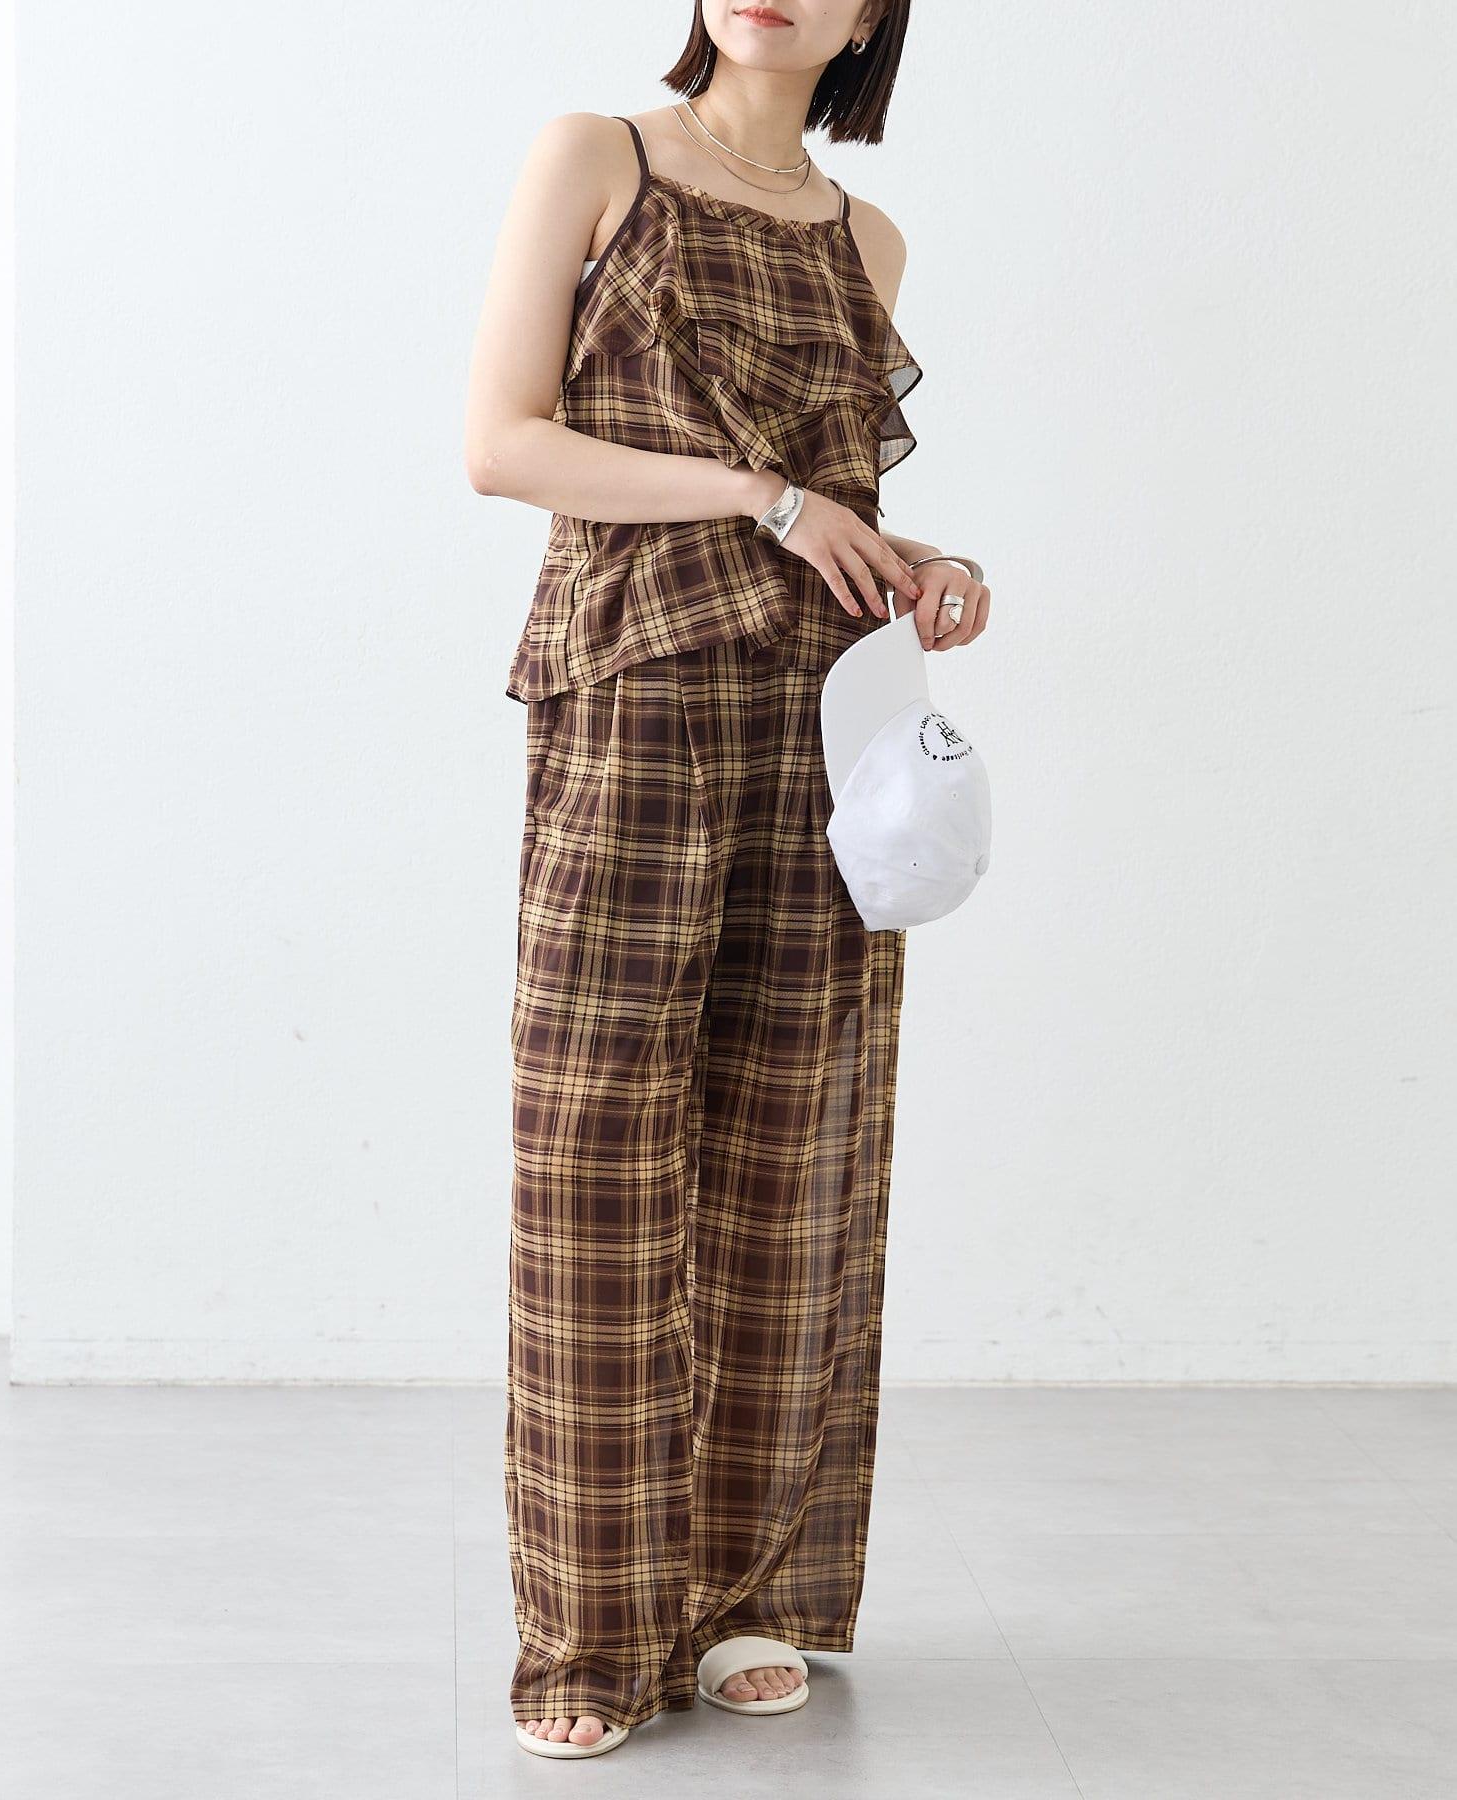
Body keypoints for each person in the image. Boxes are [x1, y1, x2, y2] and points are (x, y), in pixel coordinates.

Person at [465, 0, 992, 1762]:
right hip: (628, 706)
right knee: (597, 1166)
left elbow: (821, 507)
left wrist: (909, 554)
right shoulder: (597, 157)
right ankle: (587, 1632)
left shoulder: (865, 237)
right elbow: (504, 443)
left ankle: (742, 1600)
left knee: (792, 1170)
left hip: (820, 729)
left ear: (873, 14)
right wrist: (767, 499)